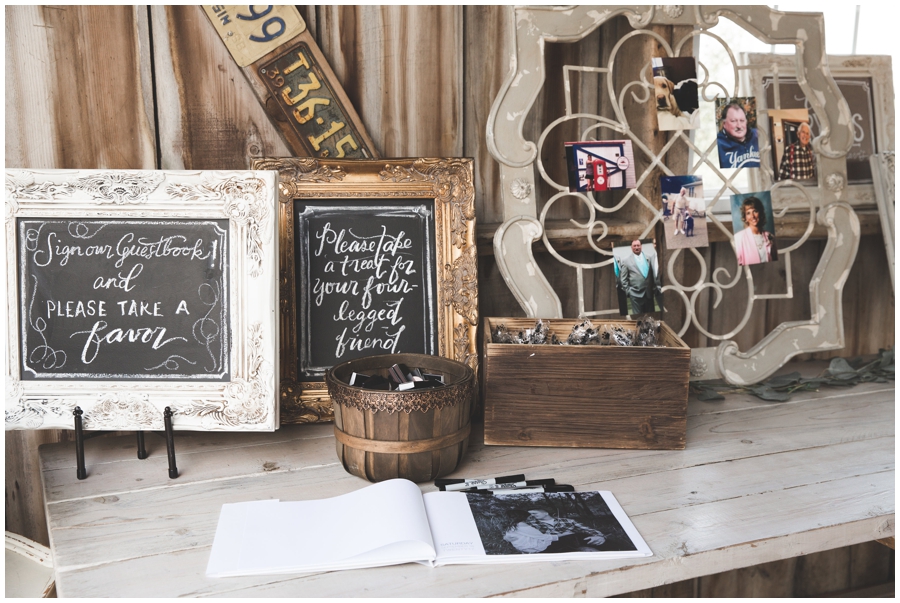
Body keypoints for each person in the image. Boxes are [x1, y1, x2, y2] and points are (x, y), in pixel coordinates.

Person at [503, 509, 607, 554]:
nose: (532, 517)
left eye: (534, 513)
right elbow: (542, 537)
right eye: (530, 515)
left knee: (580, 536)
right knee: (573, 536)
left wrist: (600, 536)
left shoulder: (567, 521)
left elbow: (586, 530)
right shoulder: (530, 524)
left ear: (545, 512)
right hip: (551, 546)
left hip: (571, 541)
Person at [617, 239, 661, 314]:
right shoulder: (626, 260)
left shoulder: (649, 258)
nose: (636, 247)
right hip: (635, 295)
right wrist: (629, 292)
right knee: (638, 318)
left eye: (638, 245)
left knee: (652, 316)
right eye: (634, 246)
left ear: (641, 246)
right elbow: (623, 279)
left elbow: (653, 274)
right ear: (631, 247)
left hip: (649, 294)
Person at [733, 196, 777, 266]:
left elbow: (774, 261)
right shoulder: (738, 237)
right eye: (748, 213)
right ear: (745, 218)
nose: (752, 216)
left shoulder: (770, 235)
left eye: (755, 211)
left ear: (760, 213)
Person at [716, 102, 760, 168]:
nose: (739, 126)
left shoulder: (757, 136)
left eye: (742, 120)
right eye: (733, 121)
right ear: (724, 124)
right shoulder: (718, 145)